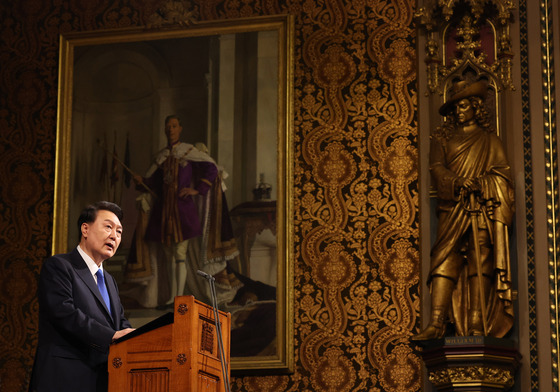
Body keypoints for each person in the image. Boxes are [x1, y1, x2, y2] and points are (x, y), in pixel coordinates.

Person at [412, 79, 515, 340]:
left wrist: (482, 184)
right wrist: (458, 182)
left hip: (480, 208)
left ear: (476, 108)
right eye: (456, 107)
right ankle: (436, 322)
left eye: (464, 105)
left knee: (481, 261)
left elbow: (502, 174)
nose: (459, 111)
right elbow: (436, 168)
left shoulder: (490, 140)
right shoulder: (443, 138)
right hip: (453, 206)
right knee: (444, 259)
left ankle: (477, 323)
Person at [132, 115, 238, 308]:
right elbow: (153, 183)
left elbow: (212, 169)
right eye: (167, 127)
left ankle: (178, 298)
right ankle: (172, 297)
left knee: (180, 255)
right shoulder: (161, 157)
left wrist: (197, 189)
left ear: (180, 128)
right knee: (169, 255)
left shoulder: (189, 152)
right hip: (163, 213)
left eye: (174, 126)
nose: (170, 130)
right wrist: (142, 181)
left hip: (183, 212)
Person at [29, 201, 135, 391]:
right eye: (108, 227)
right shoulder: (59, 266)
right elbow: (64, 313)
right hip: (63, 377)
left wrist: (139, 337)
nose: (114, 236)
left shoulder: (110, 281)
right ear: (85, 229)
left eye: (119, 232)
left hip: (102, 380)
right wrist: (111, 335)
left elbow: (119, 322)